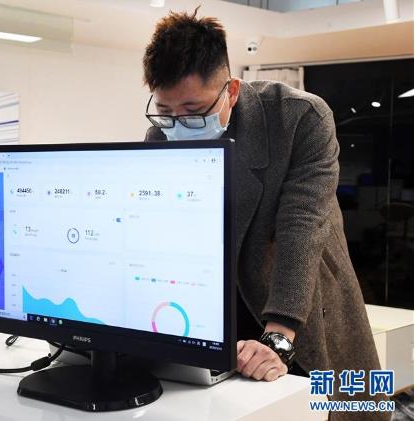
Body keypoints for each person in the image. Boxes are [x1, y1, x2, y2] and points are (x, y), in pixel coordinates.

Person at [142, 9, 389, 421]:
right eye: (167, 110)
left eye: (194, 110)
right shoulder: (161, 134)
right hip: (217, 304)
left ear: (231, 91)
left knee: (328, 407)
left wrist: (279, 334)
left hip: (297, 295)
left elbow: (301, 228)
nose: (179, 125)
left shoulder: (298, 118)